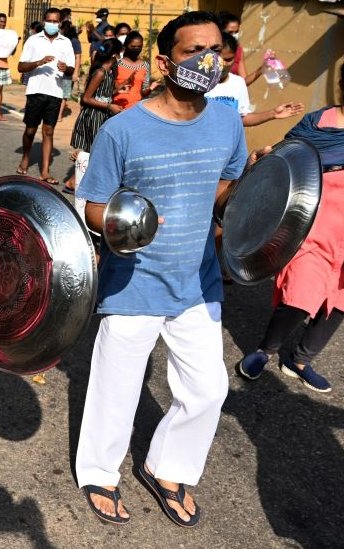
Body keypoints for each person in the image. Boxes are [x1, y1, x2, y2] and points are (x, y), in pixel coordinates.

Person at [75, 11, 249, 527]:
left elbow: (226, 190)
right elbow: (92, 205)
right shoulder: (123, 130)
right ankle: (100, 471)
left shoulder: (226, 120)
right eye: (193, 50)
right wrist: (132, 220)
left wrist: (252, 201)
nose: (207, 60)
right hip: (133, 280)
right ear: (163, 60)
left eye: (216, 49)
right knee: (118, 386)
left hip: (198, 280)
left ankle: (168, 466)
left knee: (207, 389)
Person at [236, 65, 344, 393]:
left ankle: (299, 360)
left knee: (340, 299)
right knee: (302, 291)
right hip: (314, 220)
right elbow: (290, 155)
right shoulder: (316, 122)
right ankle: (265, 351)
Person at [15, 7, 75, 185]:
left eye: (56, 21)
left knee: (48, 131)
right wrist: (39, 62)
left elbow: (71, 69)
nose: (52, 24)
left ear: (60, 23)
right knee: (31, 129)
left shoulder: (66, 42)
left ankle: (45, 171)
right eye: (49, 20)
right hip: (35, 91)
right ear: (43, 21)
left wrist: (67, 69)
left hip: (55, 92)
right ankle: (26, 156)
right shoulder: (33, 40)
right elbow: (20, 67)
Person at [206, 33, 303, 127]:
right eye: (218, 59)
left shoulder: (238, 83)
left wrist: (273, 113)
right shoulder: (199, 81)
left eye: (228, 60)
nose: (223, 64)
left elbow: (242, 118)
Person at [68, 38, 122, 196]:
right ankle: (74, 181)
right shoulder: (100, 73)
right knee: (95, 150)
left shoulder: (109, 73)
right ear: (114, 55)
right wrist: (109, 106)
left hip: (103, 114)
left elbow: (104, 94)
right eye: (119, 54)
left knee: (95, 150)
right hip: (94, 115)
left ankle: (75, 180)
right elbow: (87, 98)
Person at [112, 31, 158, 109]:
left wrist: (151, 88)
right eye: (133, 46)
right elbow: (109, 89)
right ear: (125, 46)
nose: (136, 49)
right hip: (116, 108)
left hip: (136, 109)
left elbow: (143, 92)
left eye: (139, 46)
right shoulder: (117, 64)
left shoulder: (145, 66)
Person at [218, 11, 262, 85]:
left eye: (237, 32)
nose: (234, 35)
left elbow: (243, 82)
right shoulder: (212, 49)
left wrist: (261, 70)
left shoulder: (239, 51)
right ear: (220, 30)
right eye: (230, 32)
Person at [57, 19, 81, 123]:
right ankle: (57, 113)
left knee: (64, 94)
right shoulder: (59, 40)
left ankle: (59, 115)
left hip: (68, 71)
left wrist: (75, 72)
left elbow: (78, 57)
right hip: (57, 71)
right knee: (61, 94)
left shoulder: (74, 41)